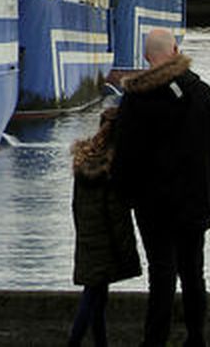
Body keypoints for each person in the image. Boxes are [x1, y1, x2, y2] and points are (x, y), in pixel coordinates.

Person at [112, 27, 210, 347]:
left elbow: (125, 157)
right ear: (175, 50)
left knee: (161, 274)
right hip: (194, 203)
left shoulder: (136, 100)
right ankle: (196, 338)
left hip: (153, 207)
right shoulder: (203, 94)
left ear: (147, 57)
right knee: (193, 273)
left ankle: (155, 340)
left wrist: (128, 197)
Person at [69, 107, 142, 347]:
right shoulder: (113, 168)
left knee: (97, 297)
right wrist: (127, 252)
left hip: (88, 239)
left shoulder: (84, 162)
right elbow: (117, 216)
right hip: (107, 243)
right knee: (92, 298)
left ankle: (101, 343)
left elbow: (75, 206)